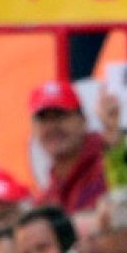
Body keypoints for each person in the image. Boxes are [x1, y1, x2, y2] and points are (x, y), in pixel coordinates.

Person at [29, 80, 108, 215]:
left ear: (83, 119)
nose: (52, 127)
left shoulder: (111, 163)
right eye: (43, 120)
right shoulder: (44, 202)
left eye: (60, 115)